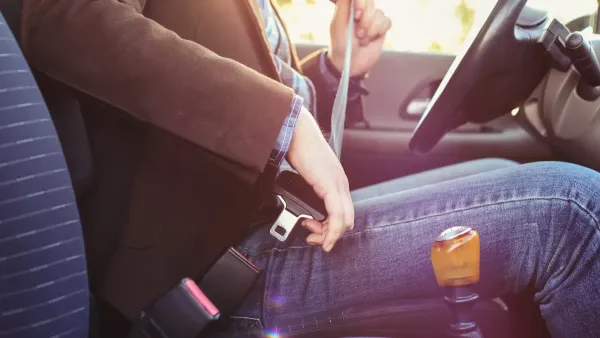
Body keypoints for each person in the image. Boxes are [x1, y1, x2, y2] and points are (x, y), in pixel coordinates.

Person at [21, 1, 600, 337]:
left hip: (263, 223)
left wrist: (335, 71)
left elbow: (261, 120)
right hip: (211, 273)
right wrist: (286, 121)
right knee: (573, 217)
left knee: (504, 168)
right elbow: (64, 15)